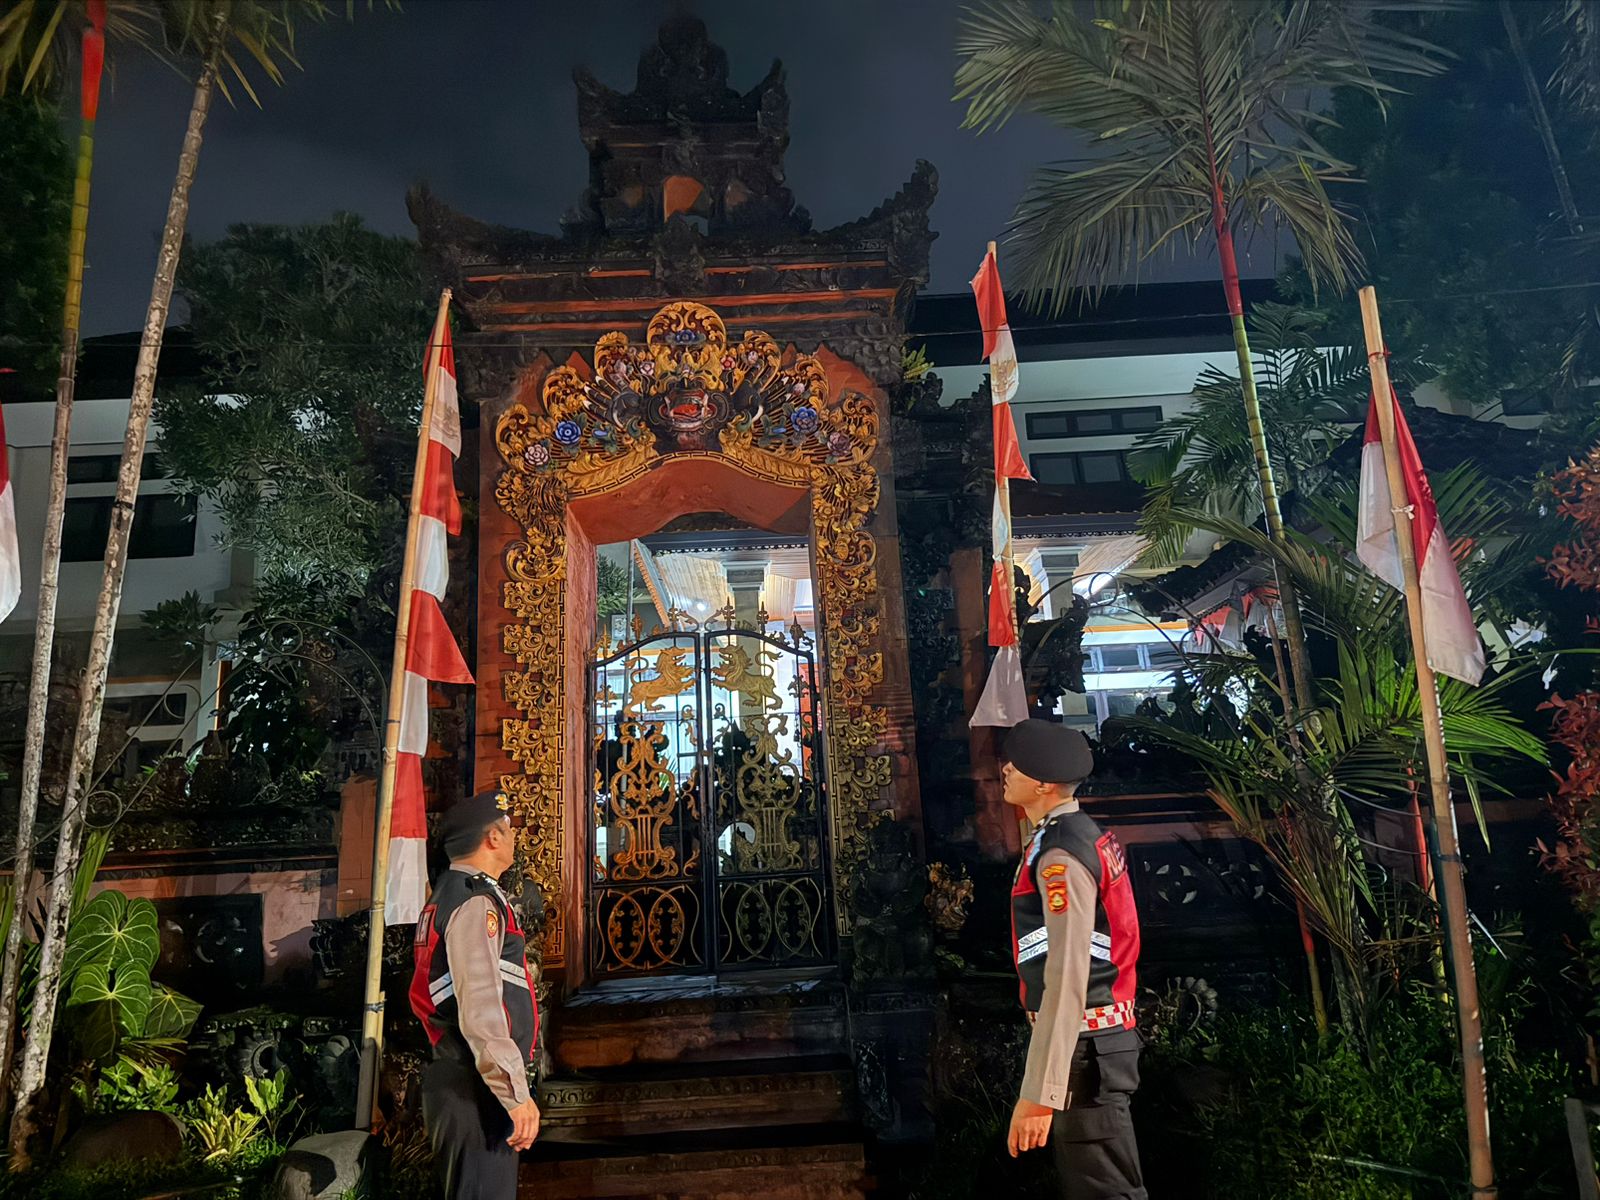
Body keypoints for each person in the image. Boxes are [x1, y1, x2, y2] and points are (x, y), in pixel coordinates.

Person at [1002, 718, 1146, 1200]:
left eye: (1016, 765)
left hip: (1085, 1046)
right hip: (1091, 1041)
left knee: (1106, 1191)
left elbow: (1067, 972)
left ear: (1043, 784)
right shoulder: (1071, 834)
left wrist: (1039, 1092)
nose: (1005, 770)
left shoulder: (1060, 853)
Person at [409, 790, 541, 1199]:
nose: (515, 838)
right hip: (474, 1086)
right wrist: (512, 1092)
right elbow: (480, 1002)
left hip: (465, 1079)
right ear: (493, 838)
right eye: (509, 829)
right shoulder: (473, 901)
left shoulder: (451, 893)